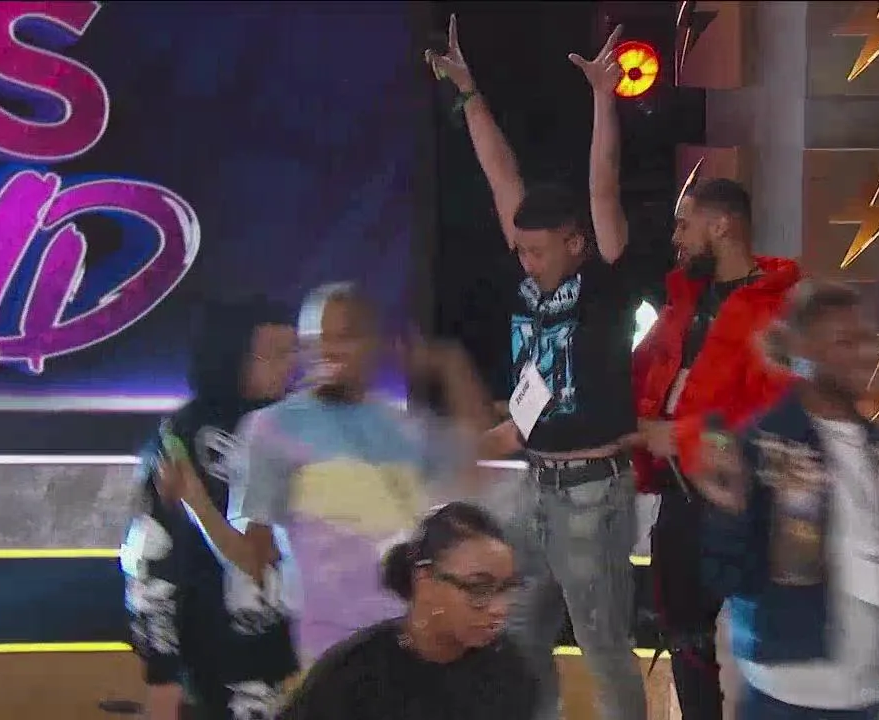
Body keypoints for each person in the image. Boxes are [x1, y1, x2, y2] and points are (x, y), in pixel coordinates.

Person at [426, 16, 647, 720]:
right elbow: (502, 176)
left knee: (603, 648)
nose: (524, 261)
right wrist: (468, 94)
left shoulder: (603, 283)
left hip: (591, 497)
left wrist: (605, 99)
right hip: (537, 490)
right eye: (520, 250)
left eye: (538, 250)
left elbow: (604, 187)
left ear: (576, 243)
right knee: (517, 637)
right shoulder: (530, 283)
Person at [165, 283, 493, 664]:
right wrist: (196, 502)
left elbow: (472, 472)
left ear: (374, 345)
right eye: (315, 339)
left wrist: (451, 366)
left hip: (408, 642)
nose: (328, 350)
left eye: (345, 337)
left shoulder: (402, 428)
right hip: (327, 650)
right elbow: (253, 560)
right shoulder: (272, 429)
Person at [697, 281, 879, 720]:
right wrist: (729, 514)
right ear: (806, 352)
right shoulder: (766, 441)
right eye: (844, 342)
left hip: (870, 695)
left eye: (866, 340)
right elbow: (726, 575)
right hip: (788, 697)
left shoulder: (878, 446)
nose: (865, 354)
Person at [630, 178, 801, 720]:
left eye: (685, 224)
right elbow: (646, 380)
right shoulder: (682, 301)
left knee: (769, 654)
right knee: (686, 642)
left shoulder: (776, 310)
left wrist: (680, 437)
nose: (676, 237)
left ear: (721, 225)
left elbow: (774, 424)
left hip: (746, 507)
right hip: (679, 499)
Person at [122, 298, 300, 720]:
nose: (291, 366)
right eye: (275, 354)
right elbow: (150, 557)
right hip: (211, 661)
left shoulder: (299, 426)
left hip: (294, 657)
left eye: (294, 352)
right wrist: (162, 675)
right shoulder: (182, 437)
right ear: (233, 355)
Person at [279, 501, 537, 720]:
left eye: (507, 589)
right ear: (425, 581)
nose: (499, 609)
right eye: (479, 589)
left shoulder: (509, 669)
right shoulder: (352, 676)